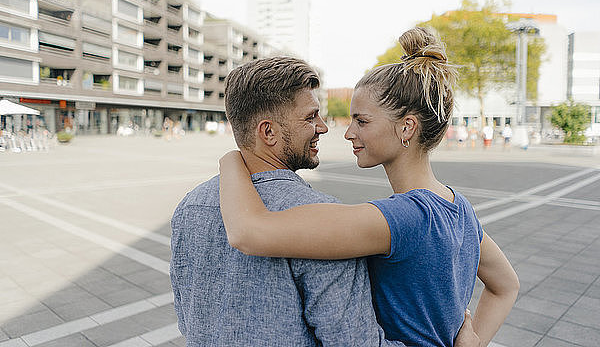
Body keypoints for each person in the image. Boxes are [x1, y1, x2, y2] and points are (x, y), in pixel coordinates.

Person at [219, 28, 520, 347]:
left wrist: (231, 159)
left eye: (362, 121)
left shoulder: (400, 218)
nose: (348, 133)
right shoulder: (460, 209)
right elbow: (506, 286)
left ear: (407, 127)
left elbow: (248, 233)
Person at [171, 56, 479, 347]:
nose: (325, 126)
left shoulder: (188, 208)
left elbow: (188, 318)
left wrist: (231, 160)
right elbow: (354, 341)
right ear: (268, 132)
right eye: (310, 117)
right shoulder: (321, 215)